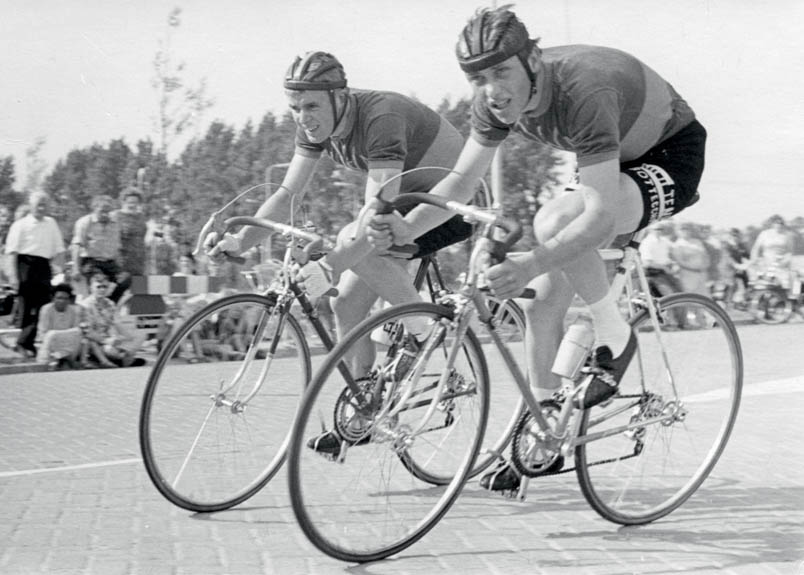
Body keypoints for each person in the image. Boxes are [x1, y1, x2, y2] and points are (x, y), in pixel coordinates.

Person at [368, 6, 706, 491]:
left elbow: (598, 216)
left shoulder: (585, 90)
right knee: (544, 303)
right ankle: (543, 427)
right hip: (606, 156)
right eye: (477, 78)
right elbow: (462, 181)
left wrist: (529, 262)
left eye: (501, 71)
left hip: (669, 152)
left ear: (532, 59)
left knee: (554, 223)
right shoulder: (493, 102)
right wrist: (408, 228)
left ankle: (616, 337)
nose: (492, 89)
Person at [206, 50, 472, 454]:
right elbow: (287, 192)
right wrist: (240, 242)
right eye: (294, 108)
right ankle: (368, 411)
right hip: (403, 205)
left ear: (341, 97)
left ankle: (422, 334)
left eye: (311, 106)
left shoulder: (380, 117)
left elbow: (375, 213)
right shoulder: (315, 127)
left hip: (449, 206)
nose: (303, 116)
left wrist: (327, 267)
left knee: (353, 239)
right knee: (345, 305)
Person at [4, 192, 66, 357]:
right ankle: (23, 343)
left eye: (44, 204)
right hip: (25, 265)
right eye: (38, 204)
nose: (41, 208)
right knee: (25, 308)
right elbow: (11, 252)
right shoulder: (20, 225)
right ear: (31, 206)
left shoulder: (51, 223)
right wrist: (13, 277)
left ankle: (26, 342)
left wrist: (58, 268)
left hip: (43, 266)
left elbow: (59, 248)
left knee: (43, 308)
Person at [80, 272, 146, 368]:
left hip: (113, 339)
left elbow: (116, 323)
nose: (102, 290)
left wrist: (125, 336)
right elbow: (88, 332)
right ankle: (123, 358)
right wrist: (107, 340)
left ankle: (123, 357)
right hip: (98, 343)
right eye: (98, 287)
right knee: (111, 351)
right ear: (91, 288)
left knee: (141, 335)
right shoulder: (85, 305)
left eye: (104, 287)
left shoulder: (110, 304)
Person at [71, 195, 123, 301]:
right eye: (102, 211)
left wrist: (119, 266)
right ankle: (94, 308)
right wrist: (75, 268)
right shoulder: (85, 222)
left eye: (108, 211)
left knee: (125, 279)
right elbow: (77, 245)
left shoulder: (115, 224)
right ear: (94, 208)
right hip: (91, 262)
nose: (105, 214)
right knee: (100, 283)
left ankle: (110, 305)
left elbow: (116, 248)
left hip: (110, 263)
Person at [34, 283, 86, 369]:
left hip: (66, 343)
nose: (62, 301)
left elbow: (75, 333)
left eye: (65, 298)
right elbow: (43, 332)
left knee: (79, 334)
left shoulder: (73, 311)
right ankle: (59, 359)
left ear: (69, 300)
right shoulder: (46, 309)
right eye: (59, 298)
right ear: (53, 298)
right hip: (49, 342)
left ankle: (63, 359)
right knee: (51, 334)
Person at [112, 186, 147, 302]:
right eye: (130, 202)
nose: (133, 205)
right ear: (123, 201)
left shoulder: (141, 217)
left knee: (139, 296)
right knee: (119, 291)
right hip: (122, 262)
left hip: (138, 263)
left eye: (136, 202)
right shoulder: (115, 216)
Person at [749, 214, 796, 290]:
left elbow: (790, 251)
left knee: (788, 282)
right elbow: (755, 249)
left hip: (781, 263)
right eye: (776, 223)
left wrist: (785, 260)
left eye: (781, 223)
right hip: (766, 262)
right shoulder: (764, 234)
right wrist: (754, 259)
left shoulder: (787, 235)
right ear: (772, 224)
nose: (779, 225)